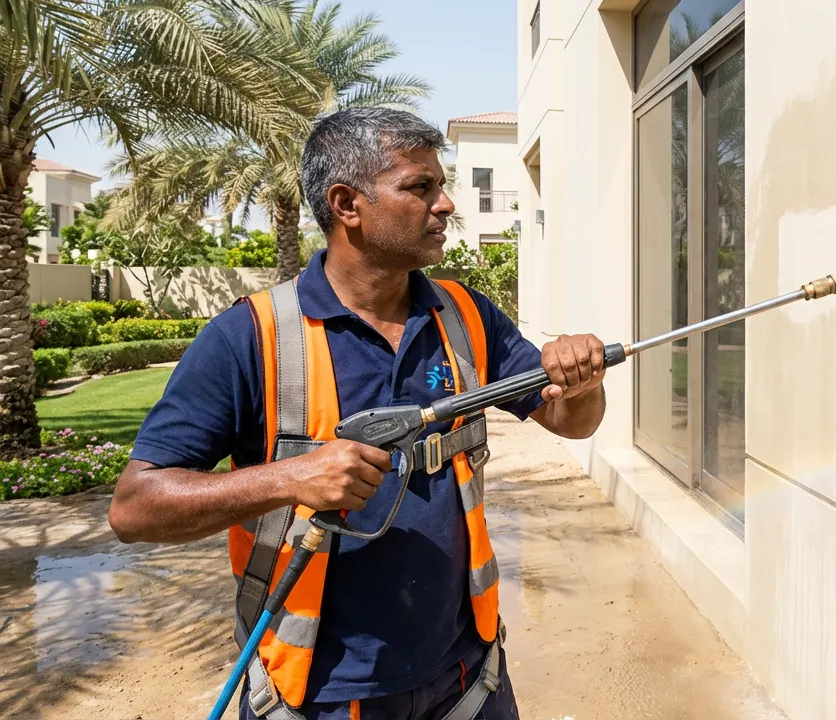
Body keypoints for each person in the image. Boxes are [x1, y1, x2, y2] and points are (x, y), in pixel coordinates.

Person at [108, 107, 607, 720]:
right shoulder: (251, 338)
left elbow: (570, 422)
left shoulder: (464, 316)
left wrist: (582, 383)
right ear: (347, 204)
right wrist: (291, 478)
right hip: (316, 697)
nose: (446, 204)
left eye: (441, 184)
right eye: (420, 187)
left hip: (468, 679)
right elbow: (134, 508)